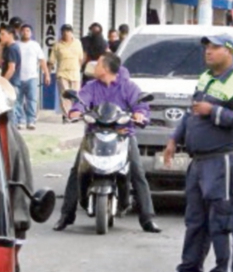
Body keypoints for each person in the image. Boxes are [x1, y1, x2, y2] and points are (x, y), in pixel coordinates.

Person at [157, 36, 233, 272]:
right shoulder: (205, 78)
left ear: (230, 52)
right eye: (207, 48)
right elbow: (192, 113)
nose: (208, 52)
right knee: (195, 221)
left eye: (214, 48)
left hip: (221, 160)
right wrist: (174, 139)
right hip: (198, 162)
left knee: (223, 220)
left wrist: (212, 111)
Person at [53, 53, 160, 234]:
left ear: (107, 69)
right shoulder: (91, 86)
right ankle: (66, 216)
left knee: (137, 172)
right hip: (94, 133)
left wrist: (140, 113)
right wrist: (76, 111)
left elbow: (140, 105)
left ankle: (147, 219)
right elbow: (81, 100)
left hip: (123, 134)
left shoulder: (128, 87)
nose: (94, 67)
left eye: (98, 64)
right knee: (77, 171)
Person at [14, 26, 49, 130]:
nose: (25, 32)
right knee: (18, 100)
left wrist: (46, 74)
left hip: (32, 77)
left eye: (28, 31)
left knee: (32, 100)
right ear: (20, 32)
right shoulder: (16, 45)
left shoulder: (35, 45)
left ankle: (31, 121)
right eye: (23, 31)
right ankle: (20, 120)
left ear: (31, 33)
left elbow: (42, 60)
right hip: (18, 77)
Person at [50, 24, 85, 117]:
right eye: (64, 31)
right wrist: (47, 74)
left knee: (76, 95)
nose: (66, 33)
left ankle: (75, 114)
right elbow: (51, 61)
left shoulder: (78, 43)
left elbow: (81, 58)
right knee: (65, 95)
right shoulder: (57, 45)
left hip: (75, 73)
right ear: (61, 33)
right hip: (62, 73)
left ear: (72, 33)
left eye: (68, 31)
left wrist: (78, 68)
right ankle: (67, 115)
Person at [0, 24, 21, 99]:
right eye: (0, 34)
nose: (0, 37)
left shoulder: (12, 49)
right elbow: (0, 63)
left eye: (3, 34)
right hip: (8, 83)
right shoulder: (7, 48)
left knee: (12, 109)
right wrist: (0, 49)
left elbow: (11, 69)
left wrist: (3, 82)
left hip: (11, 84)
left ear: (10, 35)